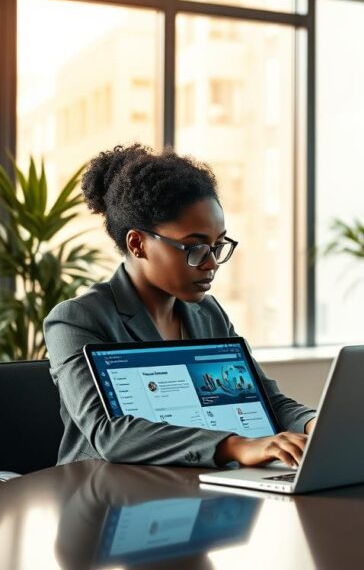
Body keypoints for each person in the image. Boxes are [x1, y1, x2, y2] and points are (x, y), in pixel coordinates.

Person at [44, 144, 316, 469]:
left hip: (203, 484)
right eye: (194, 247)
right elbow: (108, 432)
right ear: (137, 243)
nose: (211, 263)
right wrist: (234, 446)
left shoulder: (208, 314)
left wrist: (318, 426)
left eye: (217, 246)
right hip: (106, 494)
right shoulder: (76, 320)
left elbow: (267, 401)